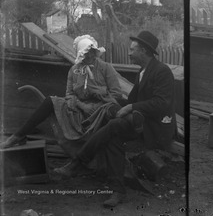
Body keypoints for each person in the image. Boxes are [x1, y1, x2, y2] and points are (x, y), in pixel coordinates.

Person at [54, 30, 177, 208]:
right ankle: (118, 190)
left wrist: (131, 107)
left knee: (115, 125)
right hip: (139, 122)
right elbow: (131, 101)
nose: (129, 53)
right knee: (114, 137)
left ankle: (77, 163)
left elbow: (162, 104)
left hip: (157, 128)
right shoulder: (143, 71)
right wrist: (112, 101)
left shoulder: (161, 71)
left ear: (143, 51)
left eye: (132, 49)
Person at [0, 35, 133, 152]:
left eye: (93, 52)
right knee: (50, 101)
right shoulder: (74, 70)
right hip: (78, 110)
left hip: (101, 109)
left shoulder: (106, 68)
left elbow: (116, 95)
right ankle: (17, 136)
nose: (90, 56)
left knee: (113, 111)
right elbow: (69, 94)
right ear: (81, 55)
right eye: (86, 54)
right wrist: (81, 105)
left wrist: (99, 94)